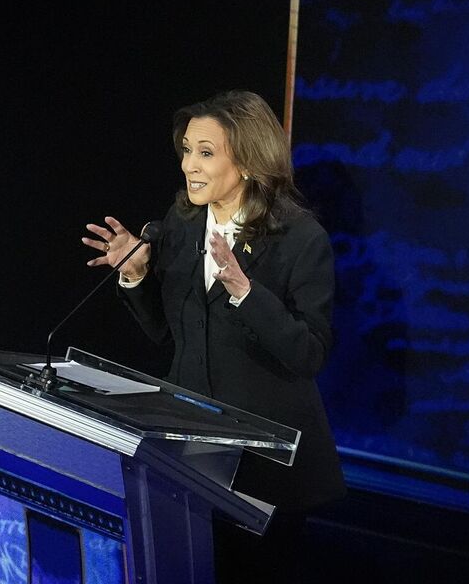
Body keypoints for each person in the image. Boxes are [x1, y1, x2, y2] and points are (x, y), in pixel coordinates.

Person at [82, 90, 342, 581]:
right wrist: (135, 275)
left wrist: (246, 291)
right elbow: (166, 334)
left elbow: (309, 354)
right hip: (187, 454)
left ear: (246, 160)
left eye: (205, 151)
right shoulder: (180, 226)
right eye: (186, 149)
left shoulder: (300, 238)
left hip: (264, 463)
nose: (188, 165)